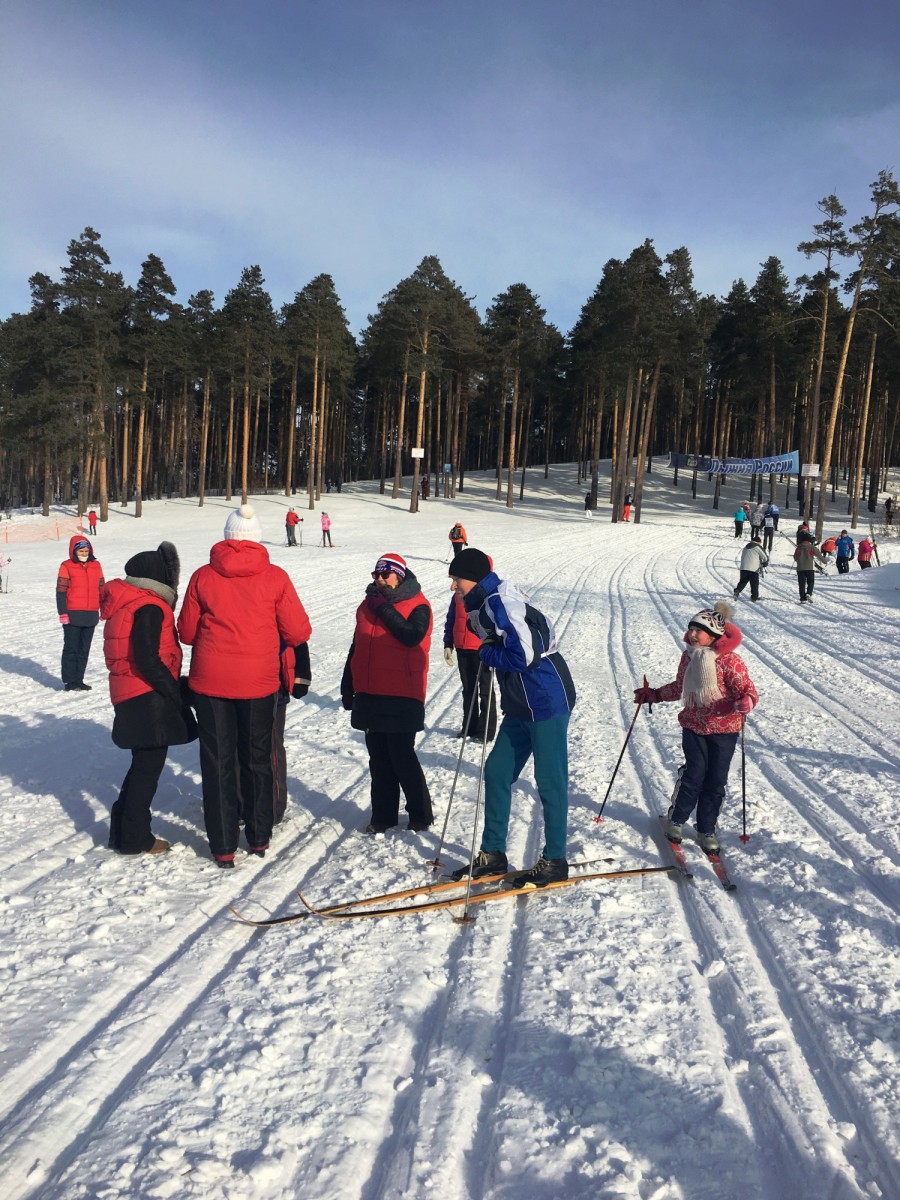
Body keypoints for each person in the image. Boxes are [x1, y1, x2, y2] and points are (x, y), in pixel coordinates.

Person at [177, 504, 312, 867]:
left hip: (210, 683)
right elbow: (298, 631)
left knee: (218, 761)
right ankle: (259, 837)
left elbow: (187, 632)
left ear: (227, 536)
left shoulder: (203, 576)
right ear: (256, 538)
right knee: (257, 757)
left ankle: (222, 845)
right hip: (258, 682)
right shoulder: (275, 577)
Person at [447, 548, 577, 888]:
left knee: (550, 780)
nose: (453, 587)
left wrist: (485, 651)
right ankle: (493, 856)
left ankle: (556, 859)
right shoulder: (486, 600)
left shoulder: (497, 601)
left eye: (456, 580)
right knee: (497, 770)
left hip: (544, 697)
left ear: (471, 578)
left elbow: (526, 655)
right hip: (521, 702)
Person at [633, 601, 757, 853]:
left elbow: (747, 690)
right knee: (694, 774)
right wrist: (654, 695)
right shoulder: (688, 657)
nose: (692, 634)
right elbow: (680, 687)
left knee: (716, 781)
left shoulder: (730, 662)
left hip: (725, 729)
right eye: (691, 629)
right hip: (694, 726)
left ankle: (706, 828)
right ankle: (676, 820)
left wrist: (746, 701)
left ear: (713, 636)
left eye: (698, 631)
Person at [101, 541, 198, 856]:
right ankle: (135, 837)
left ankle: (123, 832)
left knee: (141, 764)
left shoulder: (127, 602)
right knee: (148, 769)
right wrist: (174, 692)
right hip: (146, 696)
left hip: (130, 693)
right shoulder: (150, 606)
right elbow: (147, 657)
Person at [341, 552, 434, 834]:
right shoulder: (366, 606)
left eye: (386, 575)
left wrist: (383, 608)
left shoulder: (418, 605)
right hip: (370, 692)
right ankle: (382, 816)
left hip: (402, 693)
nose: (380, 580)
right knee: (378, 759)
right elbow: (357, 646)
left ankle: (420, 814)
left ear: (400, 576)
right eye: (376, 575)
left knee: (402, 756)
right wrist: (348, 685)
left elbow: (410, 636)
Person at [443, 584, 497, 743]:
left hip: (481, 647)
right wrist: (448, 642)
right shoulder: (457, 594)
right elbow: (451, 618)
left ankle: (486, 730)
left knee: (485, 689)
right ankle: (469, 726)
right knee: (468, 689)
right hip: (462, 646)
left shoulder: (486, 592)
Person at [57, 535, 104, 691]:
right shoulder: (66, 566)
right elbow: (61, 591)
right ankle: (70, 682)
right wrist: (62, 612)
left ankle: (79, 679)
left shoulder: (96, 565)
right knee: (71, 648)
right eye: (81, 550)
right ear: (74, 551)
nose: (84, 553)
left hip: (90, 614)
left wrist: (103, 609)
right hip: (72, 614)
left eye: (86, 550)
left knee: (84, 649)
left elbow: (102, 589)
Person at [733, 535, 768, 602]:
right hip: (753, 568)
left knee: (743, 581)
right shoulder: (757, 547)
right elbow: (765, 557)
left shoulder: (745, 547)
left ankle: (737, 590)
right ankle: (754, 597)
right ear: (758, 542)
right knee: (754, 583)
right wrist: (765, 564)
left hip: (743, 567)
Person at [794, 531, 825, 602]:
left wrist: (799, 560)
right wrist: (825, 561)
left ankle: (802, 598)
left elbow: (795, 557)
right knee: (811, 581)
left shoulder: (798, 548)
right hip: (809, 568)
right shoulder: (812, 547)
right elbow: (819, 555)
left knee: (801, 584)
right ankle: (808, 593)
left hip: (800, 568)